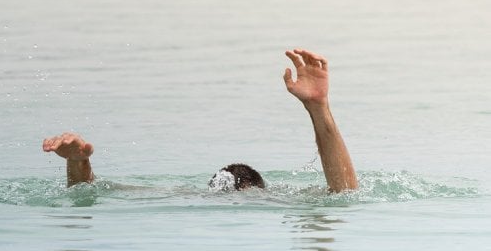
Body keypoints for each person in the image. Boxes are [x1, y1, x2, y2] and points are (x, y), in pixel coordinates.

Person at [43, 49, 358, 192]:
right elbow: (345, 191)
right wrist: (320, 109)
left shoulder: (182, 195)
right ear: (259, 190)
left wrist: (78, 165)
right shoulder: (278, 201)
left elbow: (93, 192)